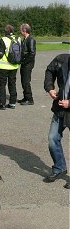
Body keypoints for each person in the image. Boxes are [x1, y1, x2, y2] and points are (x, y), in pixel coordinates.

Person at [43, 54, 70, 189]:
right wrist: (50, 88)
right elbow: (49, 70)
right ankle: (59, 167)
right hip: (59, 109)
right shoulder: (62, 60)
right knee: (53, 138)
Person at [0, 24, 20, 110]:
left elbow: (0, 53)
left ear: (5, 31)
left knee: (2, 84)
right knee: (12, 84)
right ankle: (12, 103)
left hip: (3, 66)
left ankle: (2, 104)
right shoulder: (18, 39)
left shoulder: (3, 39)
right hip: (14, 65)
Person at [18, 23, 36, 105]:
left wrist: (24, 62)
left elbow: (32, 53)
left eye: (21, 30)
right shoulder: (24, 39)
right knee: (23, 81)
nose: (20, 31)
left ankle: (30, 99)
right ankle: (25, 97)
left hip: (28, 64)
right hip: (24, 63)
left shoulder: (31, 39)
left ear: (24, 30)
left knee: (26, 81)